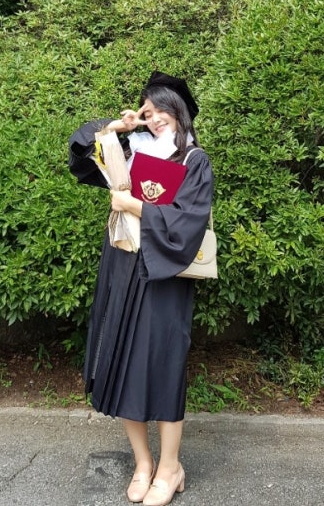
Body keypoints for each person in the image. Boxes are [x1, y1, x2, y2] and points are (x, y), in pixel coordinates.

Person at [68, 71, 214, 506]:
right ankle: (143, 463)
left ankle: (170, 467)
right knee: (123, 361)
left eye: (162, 109)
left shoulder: (193, 161)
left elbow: (188, 223)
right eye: (148, 113)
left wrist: (134, 204)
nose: (155, 119)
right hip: (122, 269)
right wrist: (119, 127)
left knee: (164, 365)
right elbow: (81, 152)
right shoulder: (131, 151)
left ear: (179, 110)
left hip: (165, 277)